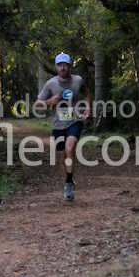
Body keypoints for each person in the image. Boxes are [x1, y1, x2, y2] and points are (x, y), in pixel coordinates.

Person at [35, 52, 92, 201]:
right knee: (61, 156)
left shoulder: (78, 80)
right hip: (58, 124)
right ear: (56, 67)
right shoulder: (51, 84)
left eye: (65, 64)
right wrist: (49, 101)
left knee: (70, 147)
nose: (63, 67)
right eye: (60, 65)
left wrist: (88, 108)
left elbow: (86, 93)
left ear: (70, 66)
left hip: (75, 120)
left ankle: (69, 180)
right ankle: (68, 181)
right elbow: (37, 104)